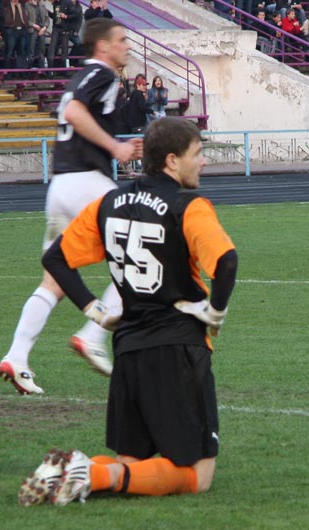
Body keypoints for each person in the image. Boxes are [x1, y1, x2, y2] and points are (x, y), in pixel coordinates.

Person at [18, 117, 238, 506]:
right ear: (172, 161)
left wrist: (94, 309)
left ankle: (68, 471)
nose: (203, 161)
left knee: (131, 462)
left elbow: (55, 259)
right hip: (178, 349)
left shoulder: (109, 202)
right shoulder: (189, 205)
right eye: (198, 153)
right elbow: (226, 261)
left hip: (129, 347)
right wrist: (216, 312)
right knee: (198, 476)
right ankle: (92, 473)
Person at [0, 18, 142, 395]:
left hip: (61, 185)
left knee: (55, 280)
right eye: (122, 40)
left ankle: (16, 357)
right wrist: (115, 147)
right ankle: (93, 334)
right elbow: (76, 113)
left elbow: (75, 112)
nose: (128, 45)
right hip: (88, 184)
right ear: (103, 46)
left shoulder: (83, 76)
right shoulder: (102, 74)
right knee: (140, 255)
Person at [47, 0, 74, 69]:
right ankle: (50, 70)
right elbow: (55, 16)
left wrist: (66, 16)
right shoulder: (55, 3)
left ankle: (64, 70)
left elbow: (74, 15)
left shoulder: (68, 2)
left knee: (64, 50)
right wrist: (48, 13)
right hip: (56, 28)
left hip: (65, 29)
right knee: (52, 48)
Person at [2, 0, 28, 69]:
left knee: (21, 51)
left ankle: (21, 70)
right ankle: (8, 70)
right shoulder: (7, 5)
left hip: (22, 30)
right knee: (10, 52)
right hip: (12, 30)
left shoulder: (21, 5)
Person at [25, 0, 49, 68]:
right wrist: (33, 25)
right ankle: (29, 68)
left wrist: (45, 27)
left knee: (42, 51)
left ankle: (42, 69)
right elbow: (25, 19)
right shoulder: (27, 5)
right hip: (32, 30)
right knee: (31, 51)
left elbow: (47, 19)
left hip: (42, 29)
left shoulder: (42, 4)